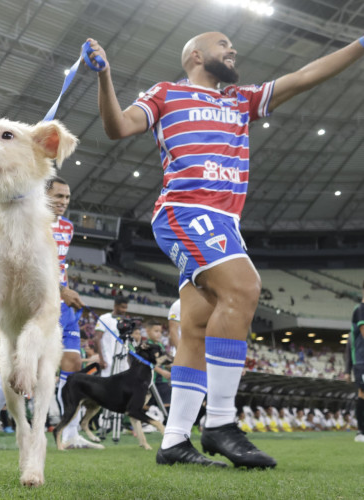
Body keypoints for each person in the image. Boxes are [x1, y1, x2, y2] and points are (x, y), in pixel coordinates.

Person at [87, 31, 364, 468]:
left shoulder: (240, 99)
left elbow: (305, 75)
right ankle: (218, 422)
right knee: (244, 289)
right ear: (196, 55)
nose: (233, 49)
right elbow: (118, 127)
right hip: (186, 211)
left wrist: (360, 46)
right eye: (223, 44)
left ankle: (174, 439)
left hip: (225, 222)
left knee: (196, 327)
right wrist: (105, 77)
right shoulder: (166, 93)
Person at [0, 177, 102, 450]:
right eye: (58, 196)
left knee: (73, 363)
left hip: (58, 303)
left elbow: (57, 264)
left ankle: (69, 434)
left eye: (67, 198)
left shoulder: (67, 227)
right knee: (23, 363)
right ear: (43, 196)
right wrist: (60, 290)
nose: (63, 202)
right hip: (30, 301)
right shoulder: (28, 223)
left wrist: (65, 291)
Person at [345, 280, 364, 442]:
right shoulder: (360, 310)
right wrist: (347, 369)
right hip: (362, 361)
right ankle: (361, 431)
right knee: (363, 393)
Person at [94, 297, 130, 378]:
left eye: (126, 308)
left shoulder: (125, 321)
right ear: (115, 306)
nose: (124, 310)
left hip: (122, 361)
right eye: (122, 307)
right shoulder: (105, 318)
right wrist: (101, 359)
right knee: (106, 386)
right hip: (108, 359)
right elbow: (97, 338)